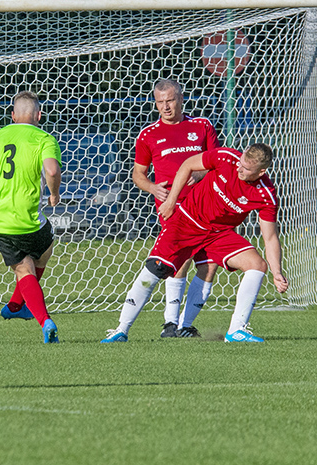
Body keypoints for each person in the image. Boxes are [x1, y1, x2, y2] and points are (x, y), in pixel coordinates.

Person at [106, 143, 289, 343]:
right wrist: (170, 201)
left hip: (218, 234)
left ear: (262, 171)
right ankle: (120, 330)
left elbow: (270, 237)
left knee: (257, 265)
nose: (239, 169)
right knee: (156, 268)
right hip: (187, 221)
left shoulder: (265, 195)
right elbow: (187, 165)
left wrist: (277, 271)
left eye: (246, 169)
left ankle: (236, 330)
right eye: (241, 163)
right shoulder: (225, 157)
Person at [102, 79, 220, 343]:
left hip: (207, 206)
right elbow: (138, 175)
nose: (165, 107)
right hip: (173, 207)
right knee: (176, 261)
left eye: (170, 100)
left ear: (180, 98)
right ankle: (168, 322)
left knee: (209, 265)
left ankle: (184, 325)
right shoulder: (148, 134)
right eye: (160, 102)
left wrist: (200, 173)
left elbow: (216, 162)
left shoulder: (201, 126)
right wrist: (153, 189)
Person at [0, 91, 62, 343]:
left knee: (30, 261)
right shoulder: (43, 138)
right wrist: (54, 194)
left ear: (12, 115)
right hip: (26, 218)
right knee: (32, 261)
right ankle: (44, 320)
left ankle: (14, 306)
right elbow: (52, 170)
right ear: (38, 115)